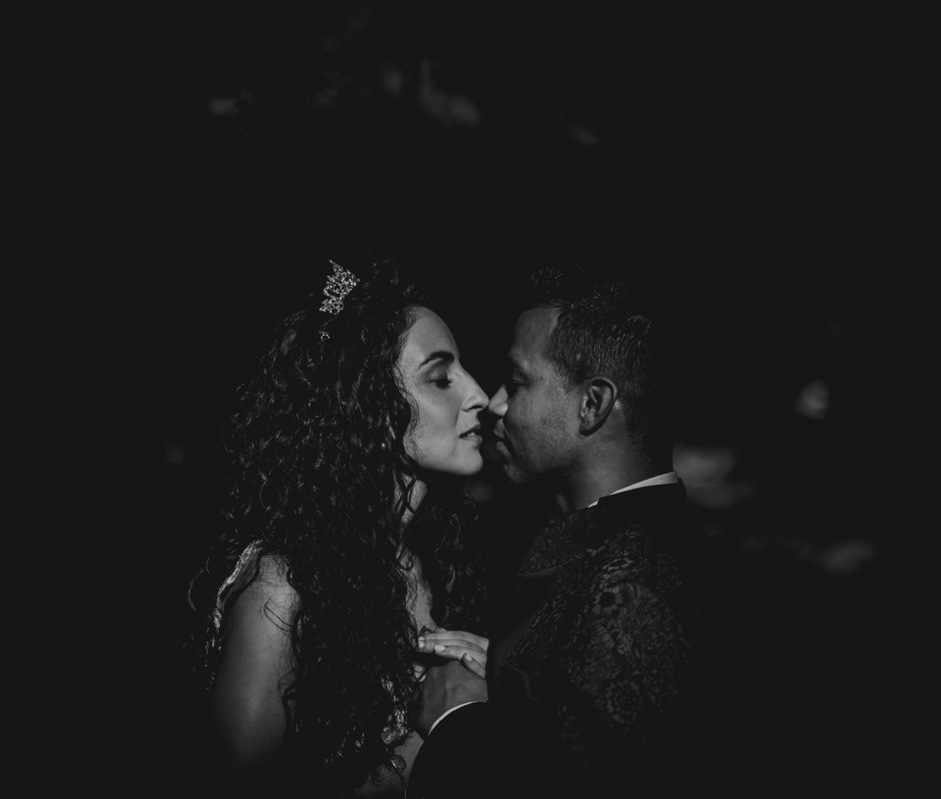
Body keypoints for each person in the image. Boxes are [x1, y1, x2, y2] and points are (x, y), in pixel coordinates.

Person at [408, 265, 718, 798]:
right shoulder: (610, 542)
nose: (495, 403)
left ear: (592, 405)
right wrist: (512, 678)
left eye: (517, 382)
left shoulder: (642, 584)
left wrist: (456, 717)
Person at [187, 259, 493, 798]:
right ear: (372, 408)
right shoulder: (283, 583)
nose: (480, 396)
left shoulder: (429, 558)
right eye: (441, 378)